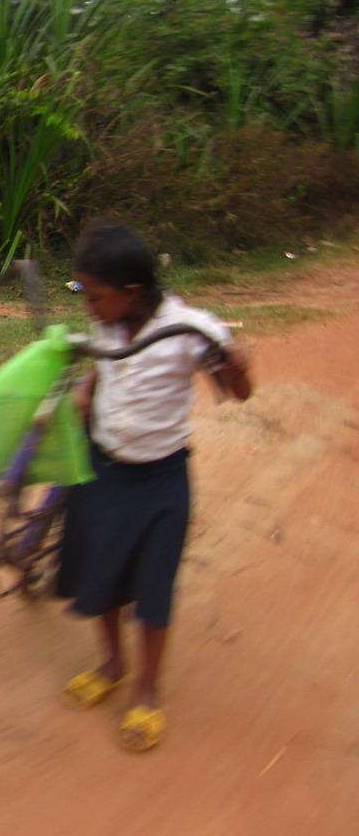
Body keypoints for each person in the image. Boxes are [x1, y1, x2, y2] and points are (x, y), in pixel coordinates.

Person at [54, 222, 252, 752]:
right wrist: (87, 388)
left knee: (153, 587)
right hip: (103, 468)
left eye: (94, 296)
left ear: (132, 291)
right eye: (83, 294)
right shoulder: (107, 320)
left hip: (159, 481)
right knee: (102, 574)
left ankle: (147, 688)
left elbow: (241, 391)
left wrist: (237, 365)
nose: (88, 306)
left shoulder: (189, 330)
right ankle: (112, 665)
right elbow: (104, 363)